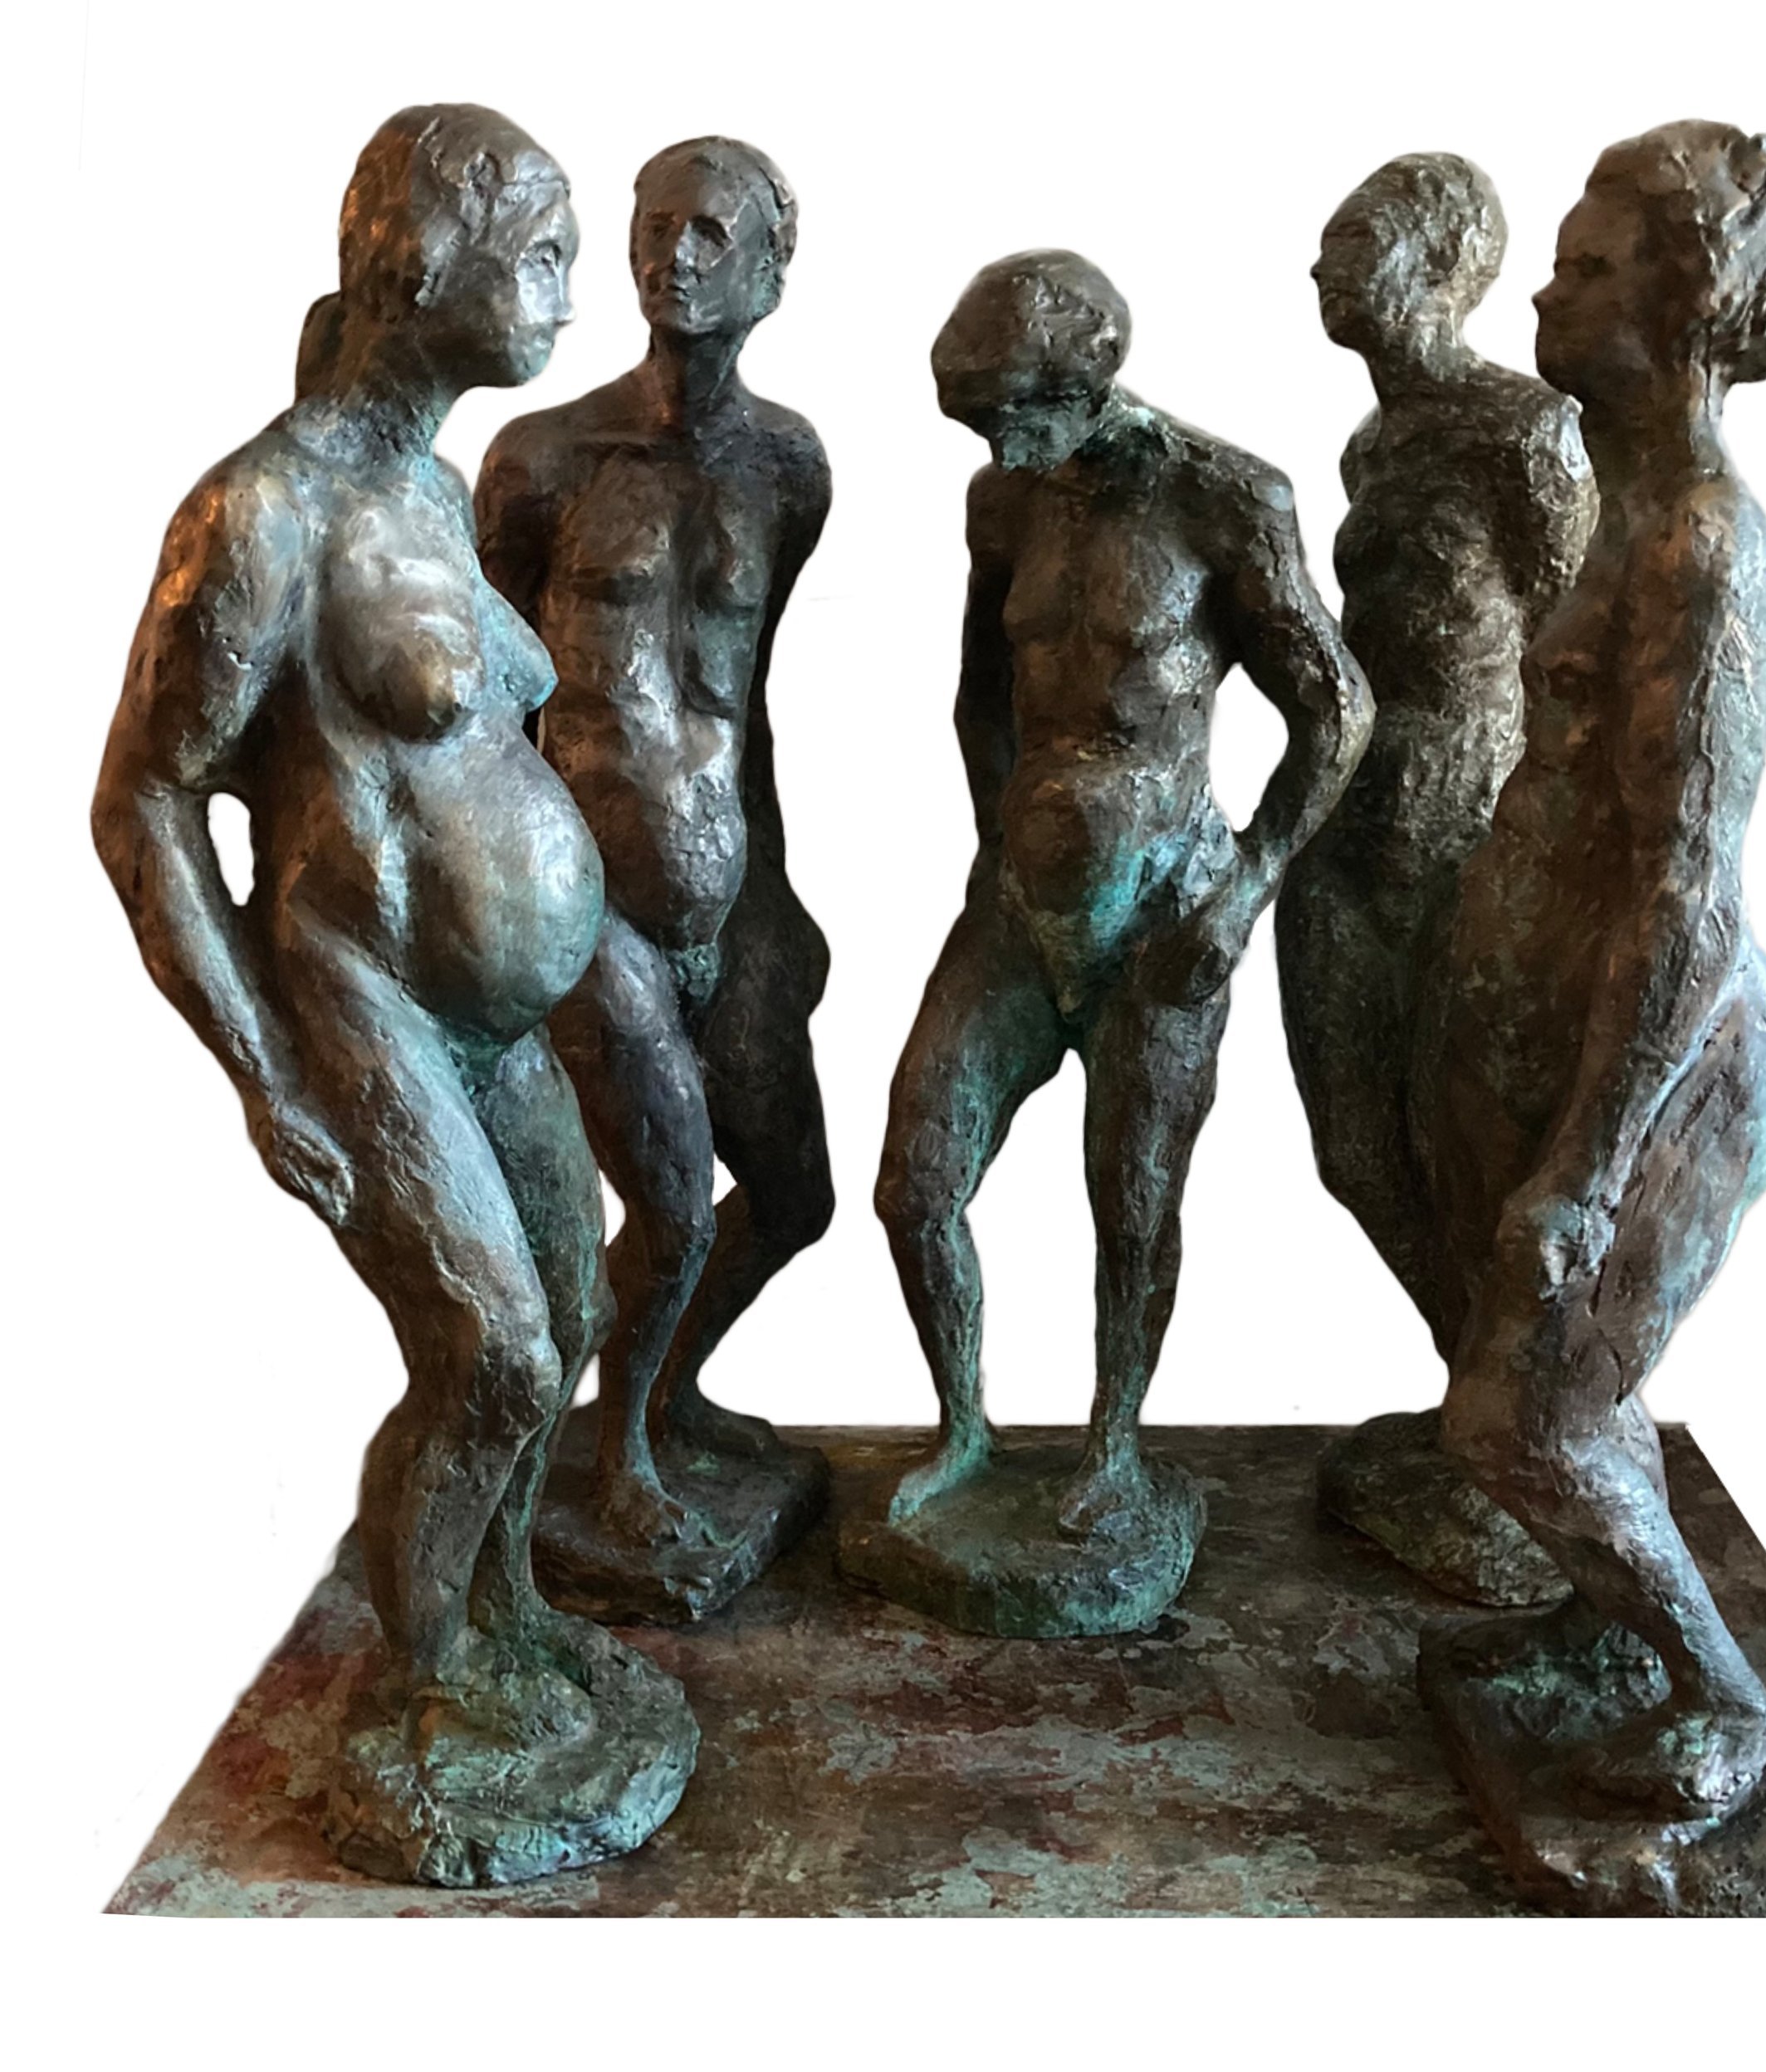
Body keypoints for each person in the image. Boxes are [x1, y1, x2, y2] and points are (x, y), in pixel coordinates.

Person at [93, 105, 693, 1879]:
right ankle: (425, 1688)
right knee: (487, 1352)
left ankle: (501, 1618)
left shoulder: (430, 484)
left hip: (495, 1020)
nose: (570, 293)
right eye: (543, 254)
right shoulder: (260, 511)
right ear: (418, 266)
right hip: (366, 1007)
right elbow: (141, 800)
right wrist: (263, 1072)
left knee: (563, 1315)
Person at [1424, 122, 1766, 1818]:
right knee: (1561, 1388)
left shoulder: (1699, 547)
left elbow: (1683, 891)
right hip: (1576, 1037)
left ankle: (1721, 1704)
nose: (1542, 294)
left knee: (1520, 1417)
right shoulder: (1627, 511)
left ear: (1683, 310)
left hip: (1671, 1073)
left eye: (1585, 273)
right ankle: (1604, 1631)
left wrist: (1585, 1170)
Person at [875, 251, 1372, 1537]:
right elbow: (980, 692)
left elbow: (1336, 708)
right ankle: (964, 1431)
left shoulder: (1228, 498)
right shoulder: (1004, 502)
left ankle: (1115, 1446)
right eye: (972, 421)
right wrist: (996, 840)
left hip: (1167, 916)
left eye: (1007, 413)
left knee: (1134, 1201)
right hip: (1019, 913)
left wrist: (1247, 887)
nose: (993, 445)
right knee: (915, 1185)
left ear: (1086, 376)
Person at [477, 138, 834, 1555]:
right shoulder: (543, 461)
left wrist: (778, 892)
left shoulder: (790, 469)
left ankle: (664, 1386)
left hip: (729, 892)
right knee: (674, 1210)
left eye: (710, 233)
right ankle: (614, 1449)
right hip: (586, 894)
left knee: (793, 1197)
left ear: (772, 272)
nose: (673, 256)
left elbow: (744, 705)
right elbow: (485, 707)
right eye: (655, 226)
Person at [1278, 153, 1592, 1348]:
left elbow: (1578, 652)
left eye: (1355, 242)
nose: (1324, 267)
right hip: (1354, 817)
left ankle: (1516, 1402)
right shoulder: (1373, 444)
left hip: (1471, 823)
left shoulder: (1529, 433)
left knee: (1471, 1142)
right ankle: (1482, 1385)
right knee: (1356, 1149)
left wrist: (1560, 849)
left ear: (1442, 265)